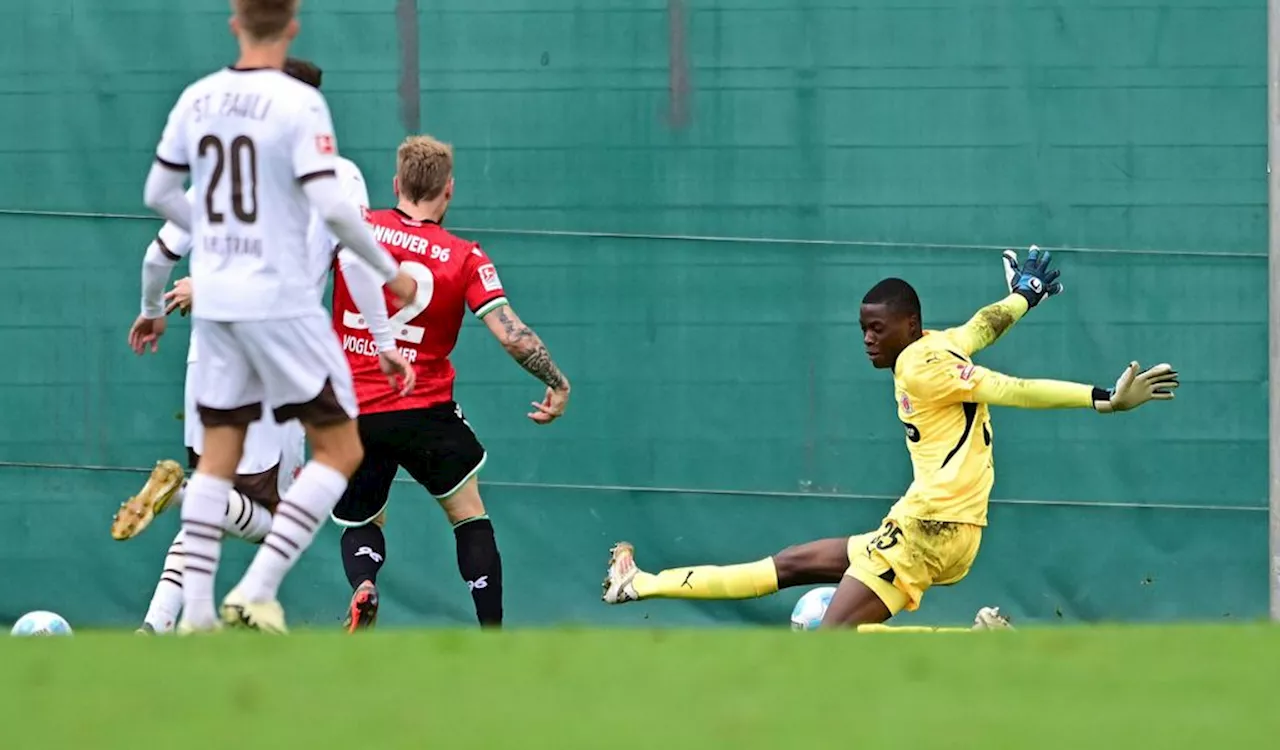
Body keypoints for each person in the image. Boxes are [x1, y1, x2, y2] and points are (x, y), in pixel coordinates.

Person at [601, 247, 1179, 631]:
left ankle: (976, 650)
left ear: (910, 325)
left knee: (827, 643)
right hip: (929, 525)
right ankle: (641, 584)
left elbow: (1014, 388)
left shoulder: (919, 366)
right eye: (862, 330)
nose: (868, 340)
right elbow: (983, 325)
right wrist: (1025, 294)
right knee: (789, 565)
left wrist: (1104, 398)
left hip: (931, 529)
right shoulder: (937, 345)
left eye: (877, 328)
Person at [137, 0, 419, 634]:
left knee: (216, 460)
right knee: (341, 449)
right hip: (281, 310)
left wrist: (208, 242)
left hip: (217, 318)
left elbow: (156, 198)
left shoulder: (200, 99)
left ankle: (197, 617)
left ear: (234, 21)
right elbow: (340, 219)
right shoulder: (301, 112)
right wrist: (391, 281)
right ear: (290, 25)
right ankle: (257, 589)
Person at [329, 135, 572, 631]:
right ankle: (492, 634)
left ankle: (364, 586)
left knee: (364, 519)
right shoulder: (464, 256)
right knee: (467, 512)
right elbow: (512, 335)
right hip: (424, 406)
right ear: (449, 191)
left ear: (396, 184)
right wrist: (557, 381)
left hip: (354, 407)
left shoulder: (355, 229)